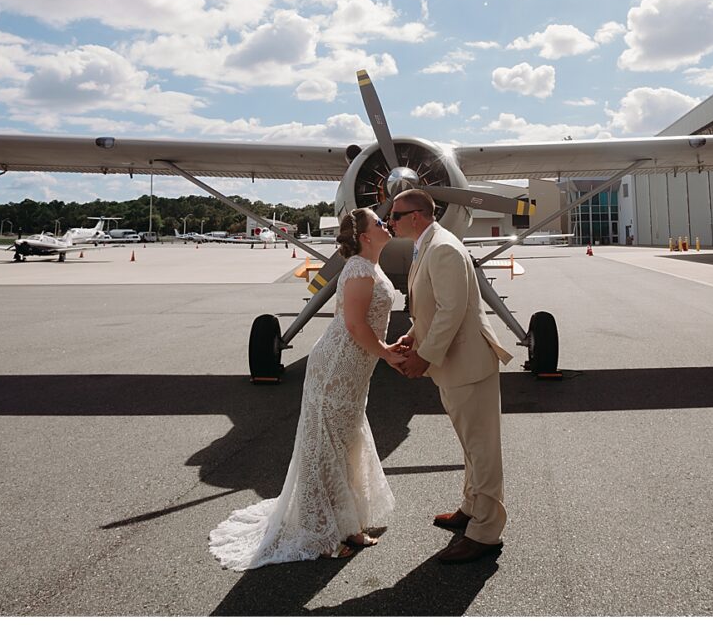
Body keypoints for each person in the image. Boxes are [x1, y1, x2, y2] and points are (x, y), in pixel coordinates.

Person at [208, 208, 397, 569]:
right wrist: (387, 354)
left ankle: (346, 523)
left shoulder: (371, 266)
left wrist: (392, 346)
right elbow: (356, 326)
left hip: (355, 370)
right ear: (365, 236)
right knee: (323, 446)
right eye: (378, 222)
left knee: (346, 443)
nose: (385, 223)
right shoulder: (359, 268)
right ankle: (317, 533)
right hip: (337, 368)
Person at [386, 188, 512, 564]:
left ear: (417, 216)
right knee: (470, 446)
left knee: (482, 450)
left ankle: (486, 531)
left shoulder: (442, 248)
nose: (389, 221)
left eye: (395, 215)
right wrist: (412, 335)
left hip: (467, 364)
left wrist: (424, 357)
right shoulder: (427, 245)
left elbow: (452, 311)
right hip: (455, 365)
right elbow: (431, 305)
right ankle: (471, 508)